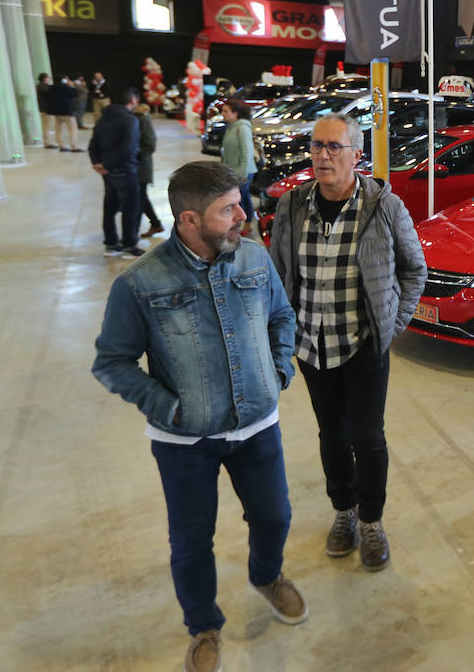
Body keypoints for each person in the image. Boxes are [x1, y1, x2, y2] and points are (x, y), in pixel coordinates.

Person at [91, 161, 306, 672]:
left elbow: (282, 317)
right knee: (191, 540)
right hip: (185, 442)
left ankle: (266, 576)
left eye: (240, 203)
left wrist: (278, 372)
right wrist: (168, 408)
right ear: (189, 219)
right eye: (228, 209)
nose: (242, 216)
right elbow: (112, 362)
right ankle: (203, 625)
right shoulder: (141, 282)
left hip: (257, 426)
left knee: (275, 516)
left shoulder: (253, 258)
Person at [269, 112, 427, 572]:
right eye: (317, 145)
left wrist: (391, 325)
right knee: (331, 434)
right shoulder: (292, 206)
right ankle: (344, 512)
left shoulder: (384, 207)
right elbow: (279, 273)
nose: (322, 154)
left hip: (363, 346)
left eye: (334, 146)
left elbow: (414, 269)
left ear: (357, 155)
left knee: (368, 438)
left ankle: (372, 519)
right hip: (311, 347)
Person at [89, 87, 143, 256]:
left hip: (107, 172)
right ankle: (128, 245)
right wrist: (108, 165)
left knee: (109, 206)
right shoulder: (130, 120)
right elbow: (128, 148)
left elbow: (93, 145)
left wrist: (98, 164)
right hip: (124, 170)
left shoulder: (103, 119)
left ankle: (111, 244)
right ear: (133, 101)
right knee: (130, 208)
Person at [219, 98, 257, 232]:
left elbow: (247, 152)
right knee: (241, 197)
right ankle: (243, 223)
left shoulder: (242, 128)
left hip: (243, 171)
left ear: (235, 113)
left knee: (240, 198)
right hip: (232, 171)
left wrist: (242, 175)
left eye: (225, 111)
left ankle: (243, 224)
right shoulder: (231, 127)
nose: (222, 113)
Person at [135, 103, 165, 237]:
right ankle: (155, 224)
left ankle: (133, 232)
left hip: (141, 165)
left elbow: (150, 143)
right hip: (139, 164)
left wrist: (138, 156)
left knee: (139, 197)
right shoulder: (137, 117)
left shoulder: (141, 118)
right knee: (141, 197)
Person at [49, 76, 79, 152]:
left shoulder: (52, 87)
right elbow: (75, 94)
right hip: (67, 112)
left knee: (58, 130)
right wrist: (72, 86)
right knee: (72, 129)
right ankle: (74, 146)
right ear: (63, 80)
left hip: (57, 112)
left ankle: (61, 145)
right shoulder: (65, 86)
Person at [36, 73, 56, 148]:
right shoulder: (43, 87)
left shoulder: (41, 86)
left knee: (46, 126)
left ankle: (47, 142)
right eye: (48, 78)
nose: (49, 79)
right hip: (46, 109)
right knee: (46, 126)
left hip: (44, 109)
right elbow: (48, 95)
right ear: (45, 78)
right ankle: (47, 142)